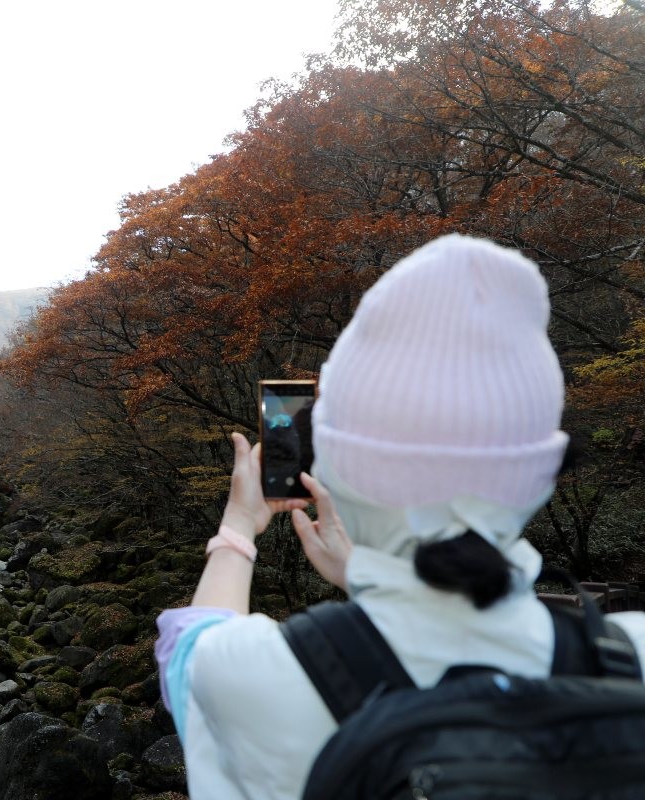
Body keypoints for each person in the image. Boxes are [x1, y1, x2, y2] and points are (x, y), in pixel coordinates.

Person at [154, 234, 645, 800]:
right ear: (538, 477)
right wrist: (363, 572)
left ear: (333, 465)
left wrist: (239, 526)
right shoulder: (627, 657)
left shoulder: (262, 676)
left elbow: (187, 649)